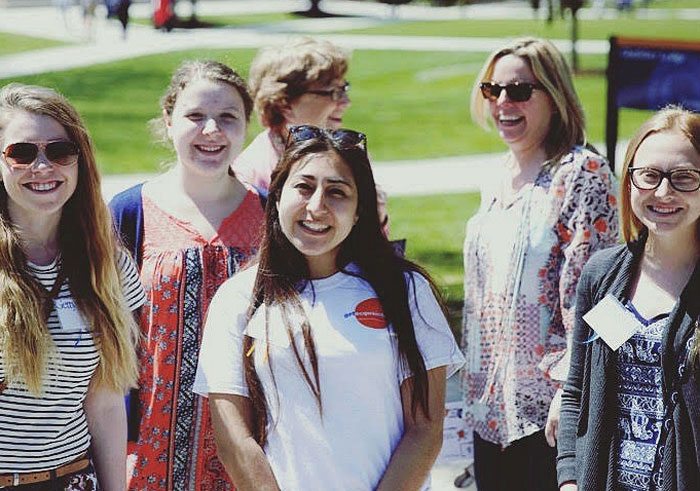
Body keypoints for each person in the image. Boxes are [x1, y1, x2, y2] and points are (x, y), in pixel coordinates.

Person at [193, 125, 465, 490]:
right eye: (303, 187)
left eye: (337, 192)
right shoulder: (238, 298)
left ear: (358, 212)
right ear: (276, 197)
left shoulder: (406, 291)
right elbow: (234, 440)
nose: (316, 206)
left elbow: (425, 430)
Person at [460, 37, 619, 490]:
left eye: (521, 90)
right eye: (493, 90)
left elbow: (602, 298)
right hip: (490, 411)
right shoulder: (497, 177)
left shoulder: (582, 174)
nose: (504, 102)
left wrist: (571, 392)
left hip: (552, 412)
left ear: (555, 96)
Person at [109, 60, 265, 490]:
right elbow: (107, 339)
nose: (211, 130)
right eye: (195, 116)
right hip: (149, 449)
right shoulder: (129, 212)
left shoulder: (272, 214)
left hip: (253, 446)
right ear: (168, 120)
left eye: (228, 117)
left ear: (246, 126)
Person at [0, 83, 145, 489]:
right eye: (22, 153)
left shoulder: (108, 264)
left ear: (80, 160)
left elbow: (105, 399)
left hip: (72, 479)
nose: (43, 167)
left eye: (60, 151)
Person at [557, 107, 700, 491]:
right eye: (649, 176)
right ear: (630, 182)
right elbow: (575, 393)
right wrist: (569, 479)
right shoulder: (601, 275)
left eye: (684, 178)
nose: (664, 192)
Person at [232, 37, 390, 236]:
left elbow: (377, 251)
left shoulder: (348, 154)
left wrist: (377, 217)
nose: (346, 102)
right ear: (284, 103)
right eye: (333, 92)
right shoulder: (252, 177)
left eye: (344, 89)